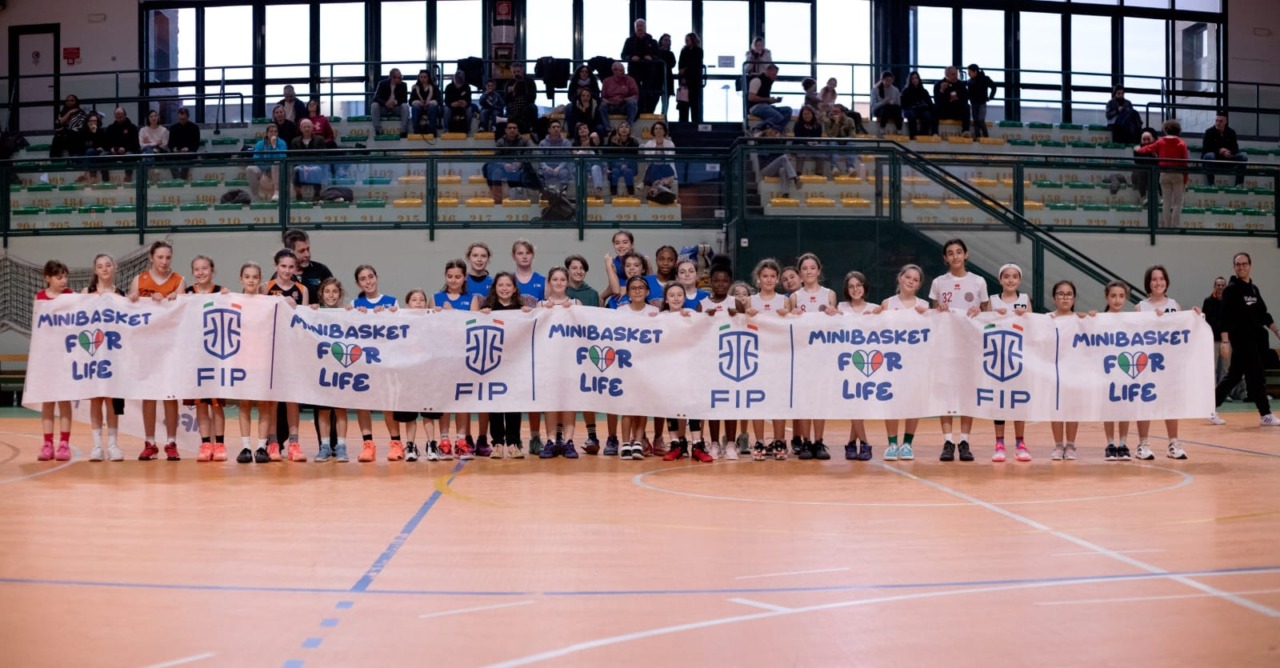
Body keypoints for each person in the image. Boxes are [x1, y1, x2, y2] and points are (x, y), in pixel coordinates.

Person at [929, 238, 989, 463]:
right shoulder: (938, 282)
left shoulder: (978, 281)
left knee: (966, 392)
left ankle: (964, 441)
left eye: (959, 252)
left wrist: (978, 310)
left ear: (966, 255)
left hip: (969, 345)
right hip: (945, 345)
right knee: (945, 392)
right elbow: (934, 312)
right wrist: (940, 309)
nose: (955, 256)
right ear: (945, 258)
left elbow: (987, 311)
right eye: (950, 253)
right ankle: (947, 441)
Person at [129, 240, 186, 461]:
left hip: (171, 346)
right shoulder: (139, 280)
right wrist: (135, 299)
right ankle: (150, 442)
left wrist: (173, 300)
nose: (164, 261)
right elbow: (131, 312)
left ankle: (171, 442)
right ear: (151, 258)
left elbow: (181, 312)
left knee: (170, 395)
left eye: (168, 257)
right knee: (149, 395)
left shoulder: (179, 280)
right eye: (160, 257)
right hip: (146, 347)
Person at [1214, 252, 1280, 427]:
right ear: (1234, 267)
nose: (1241, 267)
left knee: (1234, 375)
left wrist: (1276, 331)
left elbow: (1264, 314)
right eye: (1238, 264)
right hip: (1241, 339)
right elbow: (1224, 317)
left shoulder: (1253, 289)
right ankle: (1265, 414)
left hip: (1255, 339)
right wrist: (1225, 342)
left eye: (1244, 264)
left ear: (1250, 265)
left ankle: (1209, 407)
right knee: (1256, 375)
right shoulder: (1231, 289)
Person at [1133, 265, 1189, 460]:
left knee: (1171, 402)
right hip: (1147, 362)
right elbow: (1135, 335)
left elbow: (1183, 331)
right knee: (1144, 402)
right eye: (1154, 279)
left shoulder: (1175, 305)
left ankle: (1173, 443)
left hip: (1169, 363)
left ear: (1167, 282)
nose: (1158, 282)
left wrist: (1195, 316)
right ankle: (1143, 444)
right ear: (1148, 283)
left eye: (1161, 278)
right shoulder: (1140, 307)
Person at [350, 264, 402, 462]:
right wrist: (351, 313)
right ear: (358, 283)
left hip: (385, 362)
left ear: (377, 277)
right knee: (363, 404)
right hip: (363, 363)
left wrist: (390, 313)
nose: (368, 281)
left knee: (387, 404)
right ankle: (368, 445)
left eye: (370, 277)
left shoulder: (390, 302)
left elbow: (399, 327)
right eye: (363, 279)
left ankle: (396, 443)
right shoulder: (356, 304)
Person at [787, 253, 835, 460]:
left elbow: (836, 323)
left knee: (820, 400)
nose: (808, 271)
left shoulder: (829, 294)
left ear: (819, 270)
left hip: (822, 355)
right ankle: (805, 441)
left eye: (812, 268)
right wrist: (791, 315)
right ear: (800, 273)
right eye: (804, 268)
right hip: (802, 355)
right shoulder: (795, 297)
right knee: (805, 400)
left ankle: (819, 441)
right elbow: (788, 326)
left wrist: (835, 314)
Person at [479, 273, 531, 459]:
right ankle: (498, 443)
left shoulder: (521, 309)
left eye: (508, 285)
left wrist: (529, 314)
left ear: (514, 288)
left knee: (513, 404)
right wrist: (482, 314)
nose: (504, 288)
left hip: (515, 364)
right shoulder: (488, 308)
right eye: (500, 285)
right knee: (496, 404)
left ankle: (514, 443)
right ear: (495, 287)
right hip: (493, 364)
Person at [827, 270, 878, 461]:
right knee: (853, 404)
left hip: (867, 363)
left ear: (864, 286)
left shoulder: (875, 308)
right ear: (846, 290)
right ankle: (864, 442)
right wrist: (830, 314)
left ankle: (851, 443)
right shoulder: (841, 307)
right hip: (846, 363)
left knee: (860, 406)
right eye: (851, 286)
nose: (855, 289)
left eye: (858, 285)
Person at [881, 264, 930, 461]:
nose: (911, 281)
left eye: (915, 279)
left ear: (918, 285)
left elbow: (933, 332)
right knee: (892, 403)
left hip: (914, 362)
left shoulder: (924, 306)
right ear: (900, 278)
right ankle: (892, 443)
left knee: (912, 402)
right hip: (891, 361)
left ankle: (908, 443)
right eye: (908, 277)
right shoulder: (887, 303)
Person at [184, 256, 229, 464]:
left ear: (212, 270)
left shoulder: (222, 292)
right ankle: (205, 443)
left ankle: (219, 443)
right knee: (201, 403)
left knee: (216, 404)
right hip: (194, 356)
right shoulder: (186, 294)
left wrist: (229, 299)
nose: (201, 272)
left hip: (216, 355)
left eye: (205, 268)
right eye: (197, 269)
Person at [83, 253, 126, 462]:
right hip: (93, 353)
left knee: (111, 400)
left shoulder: (122, 294)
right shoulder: (86, 293)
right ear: (95, 270)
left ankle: (113, 445)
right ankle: (97, 445)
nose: (105, 269)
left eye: (108, 265)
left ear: (114, 267)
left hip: (114, 354)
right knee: (95, 399)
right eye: (100, 266)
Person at [432, 258, 477, 461]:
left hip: (464, 356)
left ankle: (461, 440)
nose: (453, 280)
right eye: (450, 276)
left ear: (465, 277)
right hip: (442, 357)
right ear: (445, 277)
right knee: (445, 400)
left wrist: (454, 314)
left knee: (462, 400)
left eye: (458, 276)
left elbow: (474, 326)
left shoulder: (473, 299)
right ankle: (444, 441)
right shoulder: (436, 298)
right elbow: (430, 328)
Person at [744, 258, 788, 459]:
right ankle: (760, 441)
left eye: (772, 276)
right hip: (756, 357)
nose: (768, 280)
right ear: (758, 279)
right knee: (757, 400)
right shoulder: (750, 301)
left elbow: (793, 326)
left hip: (779, 357)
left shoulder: (784, 301)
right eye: (765, 276)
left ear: (777, 279)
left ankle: (780, 441)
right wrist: (746, 314)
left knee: (778, 400)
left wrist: (789, 314)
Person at [989, 263, 1031, 463]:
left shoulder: (1024, 300)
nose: (1010, 280)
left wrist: (1026, 317)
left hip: (1018, 358)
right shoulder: (993, 300)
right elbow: (985, 325)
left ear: (1020, 280)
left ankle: (1020, 443)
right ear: (1000, 279)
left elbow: (1032, 326)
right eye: (1006, 276)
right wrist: (996, 318)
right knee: (999, 402)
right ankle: (999, 443)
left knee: (1017, 401)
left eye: (1015, 277)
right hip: (997, 358)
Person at [233, 262, 275, 464]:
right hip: (241, 359)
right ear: (241, 279)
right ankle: (245, 447)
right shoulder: (232, 300)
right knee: (244, 404)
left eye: (255, 277)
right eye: (247, 276)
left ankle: (261, 446)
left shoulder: (267, 302)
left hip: (262, 359)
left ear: (260, 280)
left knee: (264, 404)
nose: (251, 280)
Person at [1049, 280, 1093, 461]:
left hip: (1074, 371)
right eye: (1061, 294)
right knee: (1056, 408)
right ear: (1054, 298)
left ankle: (1071, 444)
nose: (1065, 297)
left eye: (1069, 294)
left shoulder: (1080, 319)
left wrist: (1093, 317)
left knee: (1072, 408)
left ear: (1074, 298)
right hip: (1053, 371)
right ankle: (1059, 445)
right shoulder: (1046, 319)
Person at [35, 260, 74, 462]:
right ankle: (47, 443)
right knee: (48, 401)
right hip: (46, 358)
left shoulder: (71, 297)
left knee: (64, 400)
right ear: (48, 278)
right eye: (59, 277)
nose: (63, 281)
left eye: (65, 277)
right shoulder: (40, 298)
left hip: (65, 357)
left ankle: (64, 443)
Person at [309, 277, 352, 463]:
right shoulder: (314, 312)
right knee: (323, 410)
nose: (331, 295)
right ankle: (324, 446)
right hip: (322, 368)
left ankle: (341, 445)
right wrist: (309, 312)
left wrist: (355, 314)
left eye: (335, 292)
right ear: (321, 294)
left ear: (340, 294)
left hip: (341, 367)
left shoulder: (347, 313)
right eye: (327, 292)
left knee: (340, 408)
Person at [1135, 119, 1189, 228]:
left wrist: (1138, 149)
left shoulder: (1160, 142)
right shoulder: (1181, 143)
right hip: (1177, 174)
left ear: (1165, 130)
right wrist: (1185, 178)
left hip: (1164, 174)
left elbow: (1147, 149)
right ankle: (1175, 225)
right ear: (1178, 130)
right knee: (1178, 203)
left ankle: (1166, 225)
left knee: (1166, 202)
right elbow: (1185, 162)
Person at [1101, 281, 1133, 461]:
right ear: (1107, 297)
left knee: (1124, 408)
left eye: (1121, 296)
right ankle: (1110, 443)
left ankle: (1123, 443)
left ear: (1126, 298)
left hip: (1126, 370)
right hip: (1106, 371)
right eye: (1113, 296)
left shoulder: (1131, 320)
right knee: (1109, 409)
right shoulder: (1099, 318)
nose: (1117, 299)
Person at [486, 121, 536, 203]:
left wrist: (520, 163)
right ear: (506, 130)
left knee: (529, 171)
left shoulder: (524, 141)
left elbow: (529, 155)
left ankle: (525, 199)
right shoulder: (500, 142)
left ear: (517, 130)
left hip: (520, 167)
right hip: (505, 168)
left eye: (514, 128)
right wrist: (504, 165)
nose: (512, 130)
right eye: (509, 128)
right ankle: (498, 200)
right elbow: (495, 158)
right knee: (495, 172)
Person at [622, 18, 661, 114]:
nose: (640, 28)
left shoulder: (652, 41)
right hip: (634, 71)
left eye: (641, 26)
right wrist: (631, 57)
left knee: (648, 92)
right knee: (635, 91)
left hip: (649, 72)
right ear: (635, 28)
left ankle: (648, 111)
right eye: (638, 26)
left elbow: (658, 56)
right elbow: (623, 55)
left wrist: (651, 57)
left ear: (645, 27)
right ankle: (636, 111)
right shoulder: (629, 41)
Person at [1202, 111, 1248, 187]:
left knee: (1243, 157)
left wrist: (1229, 152)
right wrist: (1220, 151)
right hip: (1214, 158)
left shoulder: (1231, 132)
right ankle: (1211, 184)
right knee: (1210, 155)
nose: (1218, 123)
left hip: (1227, 158)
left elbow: (1236, 149)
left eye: (1220, 121)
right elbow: (1206, 149)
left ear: (1225, 122)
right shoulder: (1209, 132)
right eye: (1216, 121)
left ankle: (1239, 184)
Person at [747, 64, 791, 136]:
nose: (775, 76)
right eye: (774, 73)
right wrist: (768, 99)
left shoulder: (769, 82)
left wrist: (773, 100)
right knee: (778, 116)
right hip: (756, 107)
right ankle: (756, 128)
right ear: (768, 71)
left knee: (788, 110)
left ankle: (777, 129)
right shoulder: (757, 80)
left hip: (766, 105)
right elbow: (751, 98)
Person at [247, 122, 287, 202]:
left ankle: (276, 192)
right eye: (271, 131)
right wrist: (267, 168)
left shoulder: (282, 143)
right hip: (263, 168)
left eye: (275, 131)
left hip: (278, 169)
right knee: (249, 169)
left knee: (276, 164)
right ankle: (255, 195)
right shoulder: (260, 144)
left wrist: (274, 146)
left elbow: (283, 158)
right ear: (267, 133)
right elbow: (256, 159)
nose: (273, 133)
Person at [1204, 275, 1229, 390]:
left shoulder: (1230, 301)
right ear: (1214, 286)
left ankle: (1223, 392)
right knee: (1211, 367)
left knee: (1225, 367)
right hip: (1212, 340)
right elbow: (1205, 319)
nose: (1220, 287)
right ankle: (1212, 391)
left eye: (1223, 285)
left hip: (1226, 341)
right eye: (1218, 285)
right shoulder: (1208, 301)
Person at [823, 104, 862, 178]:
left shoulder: (850, 120)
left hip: (845, 143)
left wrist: (844, 138)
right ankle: (835, 167)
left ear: (842, 113)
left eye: (836, 112)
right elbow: (831, 136)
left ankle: (850, 168)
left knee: (851, 143)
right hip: (832, 143)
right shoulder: (827, 121)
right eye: (832, 112)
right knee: (833, 142)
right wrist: (836, 123)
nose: (833, 114)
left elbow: (852, 135)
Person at [640, 120, 676, 198]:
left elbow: (669, 159)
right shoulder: (649, 144)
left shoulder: (670, 143)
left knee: (656, 167)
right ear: (653, 131)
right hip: (653, 167)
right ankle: (660, 185)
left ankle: (650, 186)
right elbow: (648, 159)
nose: (658, 130)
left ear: (664, 131)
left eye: (660, 128)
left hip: (666, 168)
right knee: (654, 167)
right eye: (656, 128)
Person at [104, 107, 140, 183]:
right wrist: (111, 149)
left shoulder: (132, 127)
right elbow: (105, 143)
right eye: (117, 116)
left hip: (127, 151)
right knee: (103, 155)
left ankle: (128, 175)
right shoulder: (110, 128)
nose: (119, 118)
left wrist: (125, 148)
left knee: (129, 155)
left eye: (121, 116)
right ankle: (105, 178)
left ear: (125, 115)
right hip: (113, 152)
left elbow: (136, 144)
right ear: (114, 116)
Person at [604, 121, 640, 198]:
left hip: (630, 166)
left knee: (628, 171)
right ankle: (613, 194)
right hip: (616, 166)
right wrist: (620, 164)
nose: (624, 128)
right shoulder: (613, 142)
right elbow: (610, 157)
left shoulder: (634, 142)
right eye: (621, 127)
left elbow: (634, 157)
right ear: (618, 130)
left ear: (629, 130)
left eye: (626, 127)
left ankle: (631, 193)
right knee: (614, 172)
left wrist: (627, 164)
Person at [371, 68, 410, 136]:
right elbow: (376, 98)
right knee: (374, 105)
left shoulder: (403, 85)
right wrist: (386, 103)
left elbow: (404, 99)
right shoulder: (382, 83)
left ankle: (403, 131)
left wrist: (395, 102)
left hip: (396, 108)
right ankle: (378, 130)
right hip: (384, 108)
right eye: (399, 77)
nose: (401, 79)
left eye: (401, 77)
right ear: (392, 77)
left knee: (405, 106)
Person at [571, 122, 606, 197]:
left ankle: (598, 191)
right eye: (580, 129)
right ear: (577, 132)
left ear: (588, 130)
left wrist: (595, 135)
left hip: (594, 165)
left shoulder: (593, 140)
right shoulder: (575, 143)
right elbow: (575, 156)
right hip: (583, 166)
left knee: (595, 167)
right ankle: (581, 192)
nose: (583, 130)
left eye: (585, 128)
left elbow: (597, 142)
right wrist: (583, 148)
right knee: (578, 169)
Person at [602, 61, 640, 128]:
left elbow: (635, 96)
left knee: (633, 103)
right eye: (620, 70)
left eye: (623, 70)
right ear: (614, 71)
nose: (623, 72)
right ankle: (607, 128)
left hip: (624, 105)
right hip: (611, 105)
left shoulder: (630, 80)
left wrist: (623, 99)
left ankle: (628, 126)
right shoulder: (606, 81)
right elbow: (603, 97)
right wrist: (610, 101)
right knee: (601, 106)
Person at [934, 67, 970, 135]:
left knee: (967, 107)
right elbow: (937, 101)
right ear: (947, 74)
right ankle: (935, 132)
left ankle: (965, 130)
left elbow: (965, 99)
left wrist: (957, 99)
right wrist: (942, 91)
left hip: (956, 110)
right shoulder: (939, 84)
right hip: (945, 110)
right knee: (934, 107)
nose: (955, 76)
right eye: (953, 74)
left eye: (956, 74)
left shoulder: (960, 85)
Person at [676, 33, 704, 123]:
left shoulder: (698, 51)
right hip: (684, 81)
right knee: (683, 103)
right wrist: (682, 73)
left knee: (694, 103)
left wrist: (685, 70)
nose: (686, 41)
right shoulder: (683, 51)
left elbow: (695, 65)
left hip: (694, 81)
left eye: (687, 39)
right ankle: (683, 122)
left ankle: (695, 122)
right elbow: (680, 64)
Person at [504, 62, 538, 135]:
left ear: (522, 71)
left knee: (533, 107)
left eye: (518, 72)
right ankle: (510, 127)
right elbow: (506, 101)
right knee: (509, 107)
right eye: (514, 72)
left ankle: (532, 127)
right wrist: (510, 93)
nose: (516, 74)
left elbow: (533, 97)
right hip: (513, 104)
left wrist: (523, 91)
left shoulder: (530, 82)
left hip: (527, 103)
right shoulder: (509, 83)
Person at [167, 108, 200, 180]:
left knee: (187, 158)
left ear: (188, 117)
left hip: (189, 152)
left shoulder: (194, 128)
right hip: (177, 153)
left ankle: (179, 179)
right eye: (180, 119)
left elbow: (196, 143)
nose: (182, 121)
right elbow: (170, 144)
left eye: (184, 119)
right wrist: (174, 149)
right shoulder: (173, 128)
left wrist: (188, 149)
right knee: (169, 159)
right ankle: (180, 179)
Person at [51, 94, 86, 159]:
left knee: (72, 135)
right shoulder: (62, 112)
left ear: (76, 102)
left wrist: (64, 128)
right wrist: (69, 113)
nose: (69, 102)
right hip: (63, 136)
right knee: (56, 139)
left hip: (76, 136)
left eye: (72, 101)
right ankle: (54, 162)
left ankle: (74, 160)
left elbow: (79, 127)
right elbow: (59, 123)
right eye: (67, 101)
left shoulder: (81, 113)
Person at [902, 71, 935, 139]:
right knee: (911, 114)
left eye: (916, 78)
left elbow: (930, 103)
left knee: (927, 115)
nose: (915, 80)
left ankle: (923, 134)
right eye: (913, 78)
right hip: (910, 109)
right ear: (910, 80)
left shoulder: (924, 91)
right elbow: (903, 104)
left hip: (921, 110)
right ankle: (913, 134)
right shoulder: (906, 91)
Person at [409, 69, 441, 136]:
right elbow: (410, 101)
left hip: (430, 108)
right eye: (421, 77)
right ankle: (416, 130)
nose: (423, 79)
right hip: (419, 108)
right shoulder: (415, 88)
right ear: (419, 77)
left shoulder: (434, 87)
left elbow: (438, 100)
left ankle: (432, 131)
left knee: (433, 106)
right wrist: (417, 102)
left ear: (428, 77)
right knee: (415, 106)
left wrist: (430, 102)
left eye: (425, 77)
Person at [871, 71, 903, 135]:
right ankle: (882, 128)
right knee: (886, 107)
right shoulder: (875, 90)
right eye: (886, 80)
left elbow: (899, 104)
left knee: (896, 109)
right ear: (882, 80)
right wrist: (883, 102)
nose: (888, 82)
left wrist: (892, 103)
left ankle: (899, 129)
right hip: (879, 110)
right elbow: (874, 106)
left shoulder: (895, 90)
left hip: (892, 109)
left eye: (890, 80)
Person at [656, 33, 677, 117]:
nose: (667, 42)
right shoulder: (657, 52)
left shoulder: (671, 53)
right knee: (655, 96)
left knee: (666, 98)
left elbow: (672, 63)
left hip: (667, 77)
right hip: (657, 77)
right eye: (665, 40)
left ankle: (664, 115)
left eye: (668, 41)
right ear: (661, 41)